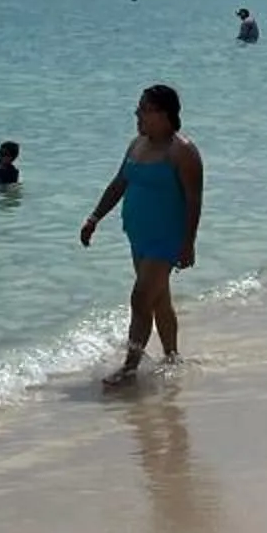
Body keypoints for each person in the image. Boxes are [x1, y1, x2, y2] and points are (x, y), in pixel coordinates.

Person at [79, 84, 204, 388]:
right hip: (138, 235)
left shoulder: (182, 152)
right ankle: (172, 357)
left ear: (163, 114)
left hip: (167, 239)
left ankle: (130, 368)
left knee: (140, 297)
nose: (137, 114)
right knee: (159, 299)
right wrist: (94, 217)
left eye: (143, 109)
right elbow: (119, 183)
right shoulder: (137, 145)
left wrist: (188, 243)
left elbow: (193, 199)